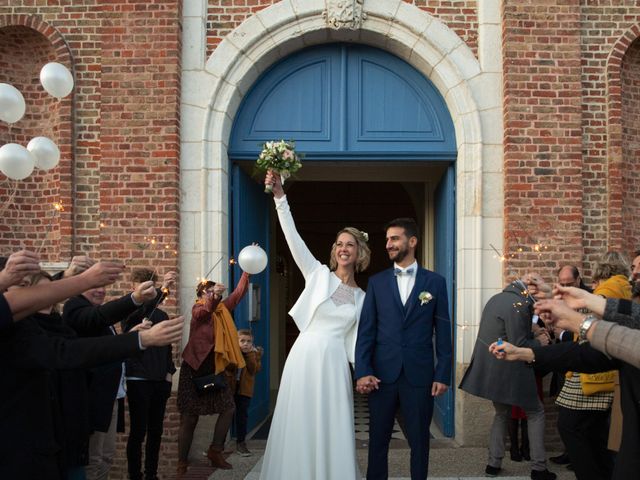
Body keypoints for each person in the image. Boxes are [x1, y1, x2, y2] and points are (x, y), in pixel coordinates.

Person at [0, 266, 183, 480]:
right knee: (94, 462)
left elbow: (97, 328)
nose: (100, 290)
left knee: (103, 458)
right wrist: (141, 339)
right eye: (31, 292)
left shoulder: (53, 322)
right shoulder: (36, 325)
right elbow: (71, 349)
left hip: (71, 422)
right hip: (31, 440)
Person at [260, 171, 370, 480]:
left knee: (332, 421)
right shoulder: (317, 274)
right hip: (305, 355)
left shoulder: (363, 298)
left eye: (349, 244)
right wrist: (280, 198)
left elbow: (361, 342)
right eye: (338, 244)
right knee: (300, 419)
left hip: (335, 362)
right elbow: (293, 239)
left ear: (359, 252)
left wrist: (367, 372)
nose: (342, 248)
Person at [355, 217, 451, 480]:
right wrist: (363, 370)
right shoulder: (377, 282)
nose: (388, 244)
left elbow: (443, 331)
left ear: (412, 241)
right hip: (381, 375)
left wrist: (442, 374)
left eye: (394, 238)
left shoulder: (435, 283)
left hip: (419, 376)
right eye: (387, 239)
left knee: (420, 442)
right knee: (377, 442)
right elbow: (366, 332)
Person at [490, 327, 640, 480]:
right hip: (586, 370)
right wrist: (523, 353)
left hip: (593, 380)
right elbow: (588, 352)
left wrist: (575, 322)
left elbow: (595, 347)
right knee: (581, 430)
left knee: (574, 426)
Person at [63, 275, 161, 480]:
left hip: (112, 395)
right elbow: (97, 319)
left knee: (106, 456)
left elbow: (109, 349)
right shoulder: (76, 308)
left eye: (103, 287)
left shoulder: (97, 314)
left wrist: (132, 336)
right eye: (94, 286)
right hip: (93, 398)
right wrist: (134, 297)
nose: (100, 291)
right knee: (93, 458)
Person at [459, 274, 556, 480]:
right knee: (536, 412)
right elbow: (519, 344)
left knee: (501, 413)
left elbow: (505, 329)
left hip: (493, 369)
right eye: (535, 295)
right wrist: (540, 342)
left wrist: (533, 329)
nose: (535, 301)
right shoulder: (519, 304)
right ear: (528, 289)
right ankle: (539, 468)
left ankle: (493, 464)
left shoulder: (497, 299)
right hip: (512, 369)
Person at [176, 271, 249, 474]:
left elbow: (237, 295)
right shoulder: (198, 309)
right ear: (201, 295)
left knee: (228, 408)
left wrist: (246, 272)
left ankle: (215, 451)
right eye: (208, 292)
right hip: (195, 368)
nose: (213, 294)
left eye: (214, 291)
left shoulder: (222, 309)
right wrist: (213, 296)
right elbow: (204, 311)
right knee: (190, 417)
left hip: (215, 367)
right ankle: (182, 463)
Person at [122, 268, 177, 480]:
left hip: (159, 381)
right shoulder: (129, 312)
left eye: (150, 287)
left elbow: (167, 348)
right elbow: (145, 307)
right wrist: (165, 288)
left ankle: (151, 474)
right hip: (138, 380)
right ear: (133, 288)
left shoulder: (162, 315)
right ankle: (134, 475)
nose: (148, 291)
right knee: (138, 432)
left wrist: (169, 373)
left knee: (156, 432)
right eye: (143, 287)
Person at [234, 328, 263, 457]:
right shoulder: (233, 353)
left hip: (244, 391)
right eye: (242, 341)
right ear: (236, 342)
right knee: (226, 416)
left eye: (249, 341)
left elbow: (254, 370)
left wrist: (251, 355)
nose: (245, 344)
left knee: (242, 417)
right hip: (231, 389)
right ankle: (218, 445)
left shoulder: (254, 355)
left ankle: (241, 443)